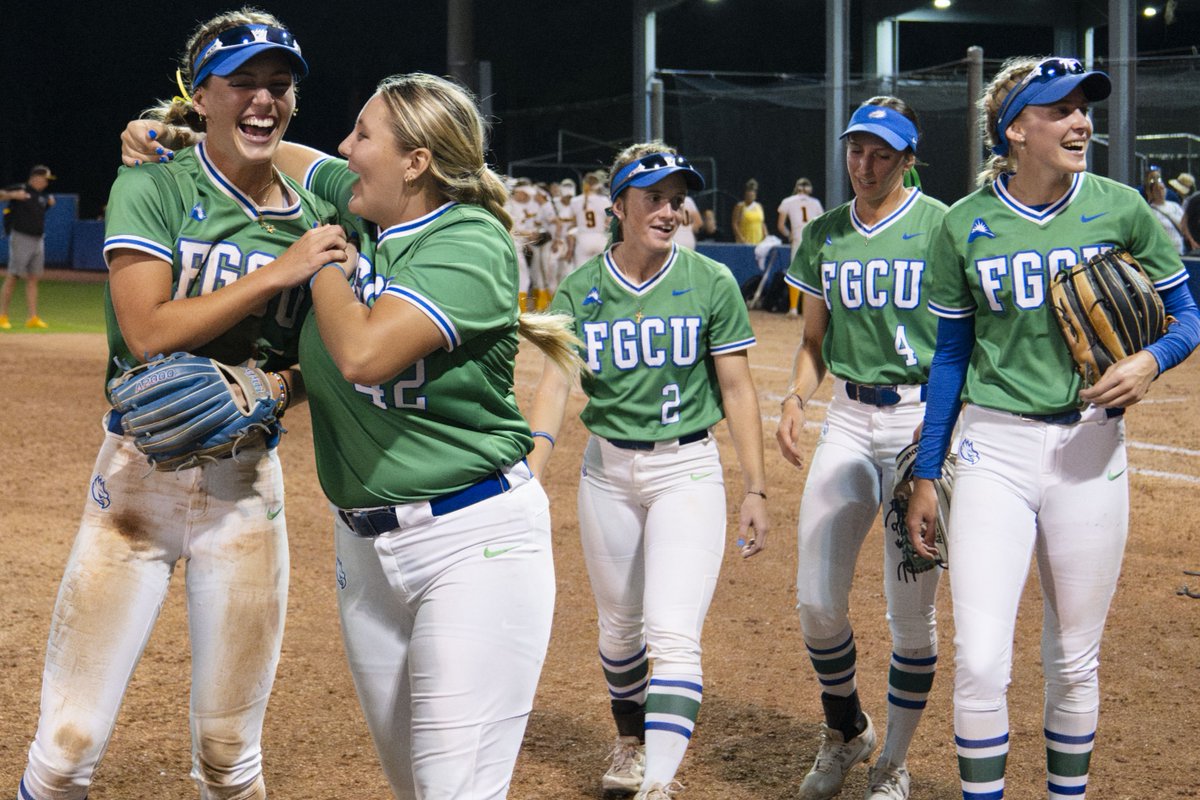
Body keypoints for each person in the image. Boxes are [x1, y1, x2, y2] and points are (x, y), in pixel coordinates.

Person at [19, 10, 350, 800]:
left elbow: (328, 356)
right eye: (243, 83)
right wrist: (279, 272)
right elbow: (147, 332)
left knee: (231, 759)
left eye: (279, 84)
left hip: (246, 485)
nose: (264, 98)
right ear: (200, 96)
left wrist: (280, 387)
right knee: (64, 752)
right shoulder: (153, 183)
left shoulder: (317, 215)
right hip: (136, 477)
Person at [905, 56, 1200, 799]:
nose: (1081, 123)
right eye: (1060, 109)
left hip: (1090, 446)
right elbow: (950, 356)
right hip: (993, 449)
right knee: (980, 660)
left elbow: (1187, 315)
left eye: (1084, 109)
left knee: (1073, 659)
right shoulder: (963, 224)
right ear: (1015, 130)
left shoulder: (1122, 207)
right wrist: (928, 471)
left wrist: (1151, 360)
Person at [526, 143, 770, 800]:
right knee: (619, 633)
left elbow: (738, 389)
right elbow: (555, 385)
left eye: (676, 199)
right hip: (606, 472)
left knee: (673, 633)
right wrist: (532, 471)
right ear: (619, 205)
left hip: (686, 469)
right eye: (653, 198)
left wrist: (755, 486)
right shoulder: (581, 288)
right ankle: (631, 742)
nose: (669, 211)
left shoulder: (710, 281)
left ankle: (658, 783)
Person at [776, 97, 947, 800]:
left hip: (921, 421)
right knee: (817, 601)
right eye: (856, 151)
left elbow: (962, 339)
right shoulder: (825, 233)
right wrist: (795, 397)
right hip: (848, 418)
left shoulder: (941, 226)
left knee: (910, 613)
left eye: (881, 154)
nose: (865, 166)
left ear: (908, 158)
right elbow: (813, 343)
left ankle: (893, 762)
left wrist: (942, 428)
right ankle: (847, 728)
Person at [1, 165, 57, 329]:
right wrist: (12, 195)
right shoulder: (21, 188)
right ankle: (2, 316)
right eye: (45, 179)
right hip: (21, 238)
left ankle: (32, 317)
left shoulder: (42, 196)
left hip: (38, 239)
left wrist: (49, 203)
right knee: (13, 276)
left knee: (33, 278)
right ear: (35, 178)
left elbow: (37, 211)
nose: (46, 183)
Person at [776, 177, 825, 317]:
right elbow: (822, 223)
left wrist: (789, 235)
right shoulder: (815, 202)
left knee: (795, 274)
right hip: (812, 239)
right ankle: (811, 310)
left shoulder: (788, 201)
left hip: (798, 238)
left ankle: (793, 308)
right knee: (812, 275)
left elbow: (780, 226)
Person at [569, 169, 612, 268]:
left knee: (581, 271)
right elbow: (609, 221)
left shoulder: (575, 201)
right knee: (602, 271)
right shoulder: (605, 201)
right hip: (600, 238)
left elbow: (573, 222)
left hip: (583, 238)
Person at [1146, 174, 1197, 255]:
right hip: (1163, 252)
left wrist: (1192, 240)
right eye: (1157, 190)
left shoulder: (1175, 206)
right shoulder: (1149, 211)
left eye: (1162, 188)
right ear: (1151, 193)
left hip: (1179, 249)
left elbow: (1185, 224)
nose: (1160, 192)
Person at [731, 178, 767, 245]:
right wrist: (741, 239)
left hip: (758, 243)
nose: (750, 195)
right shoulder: (740, 206)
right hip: (745, 243)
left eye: (752, 192)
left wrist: (766, 236)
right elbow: (734, 224)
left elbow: (762, 223)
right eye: (748, 192)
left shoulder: (759, 206)